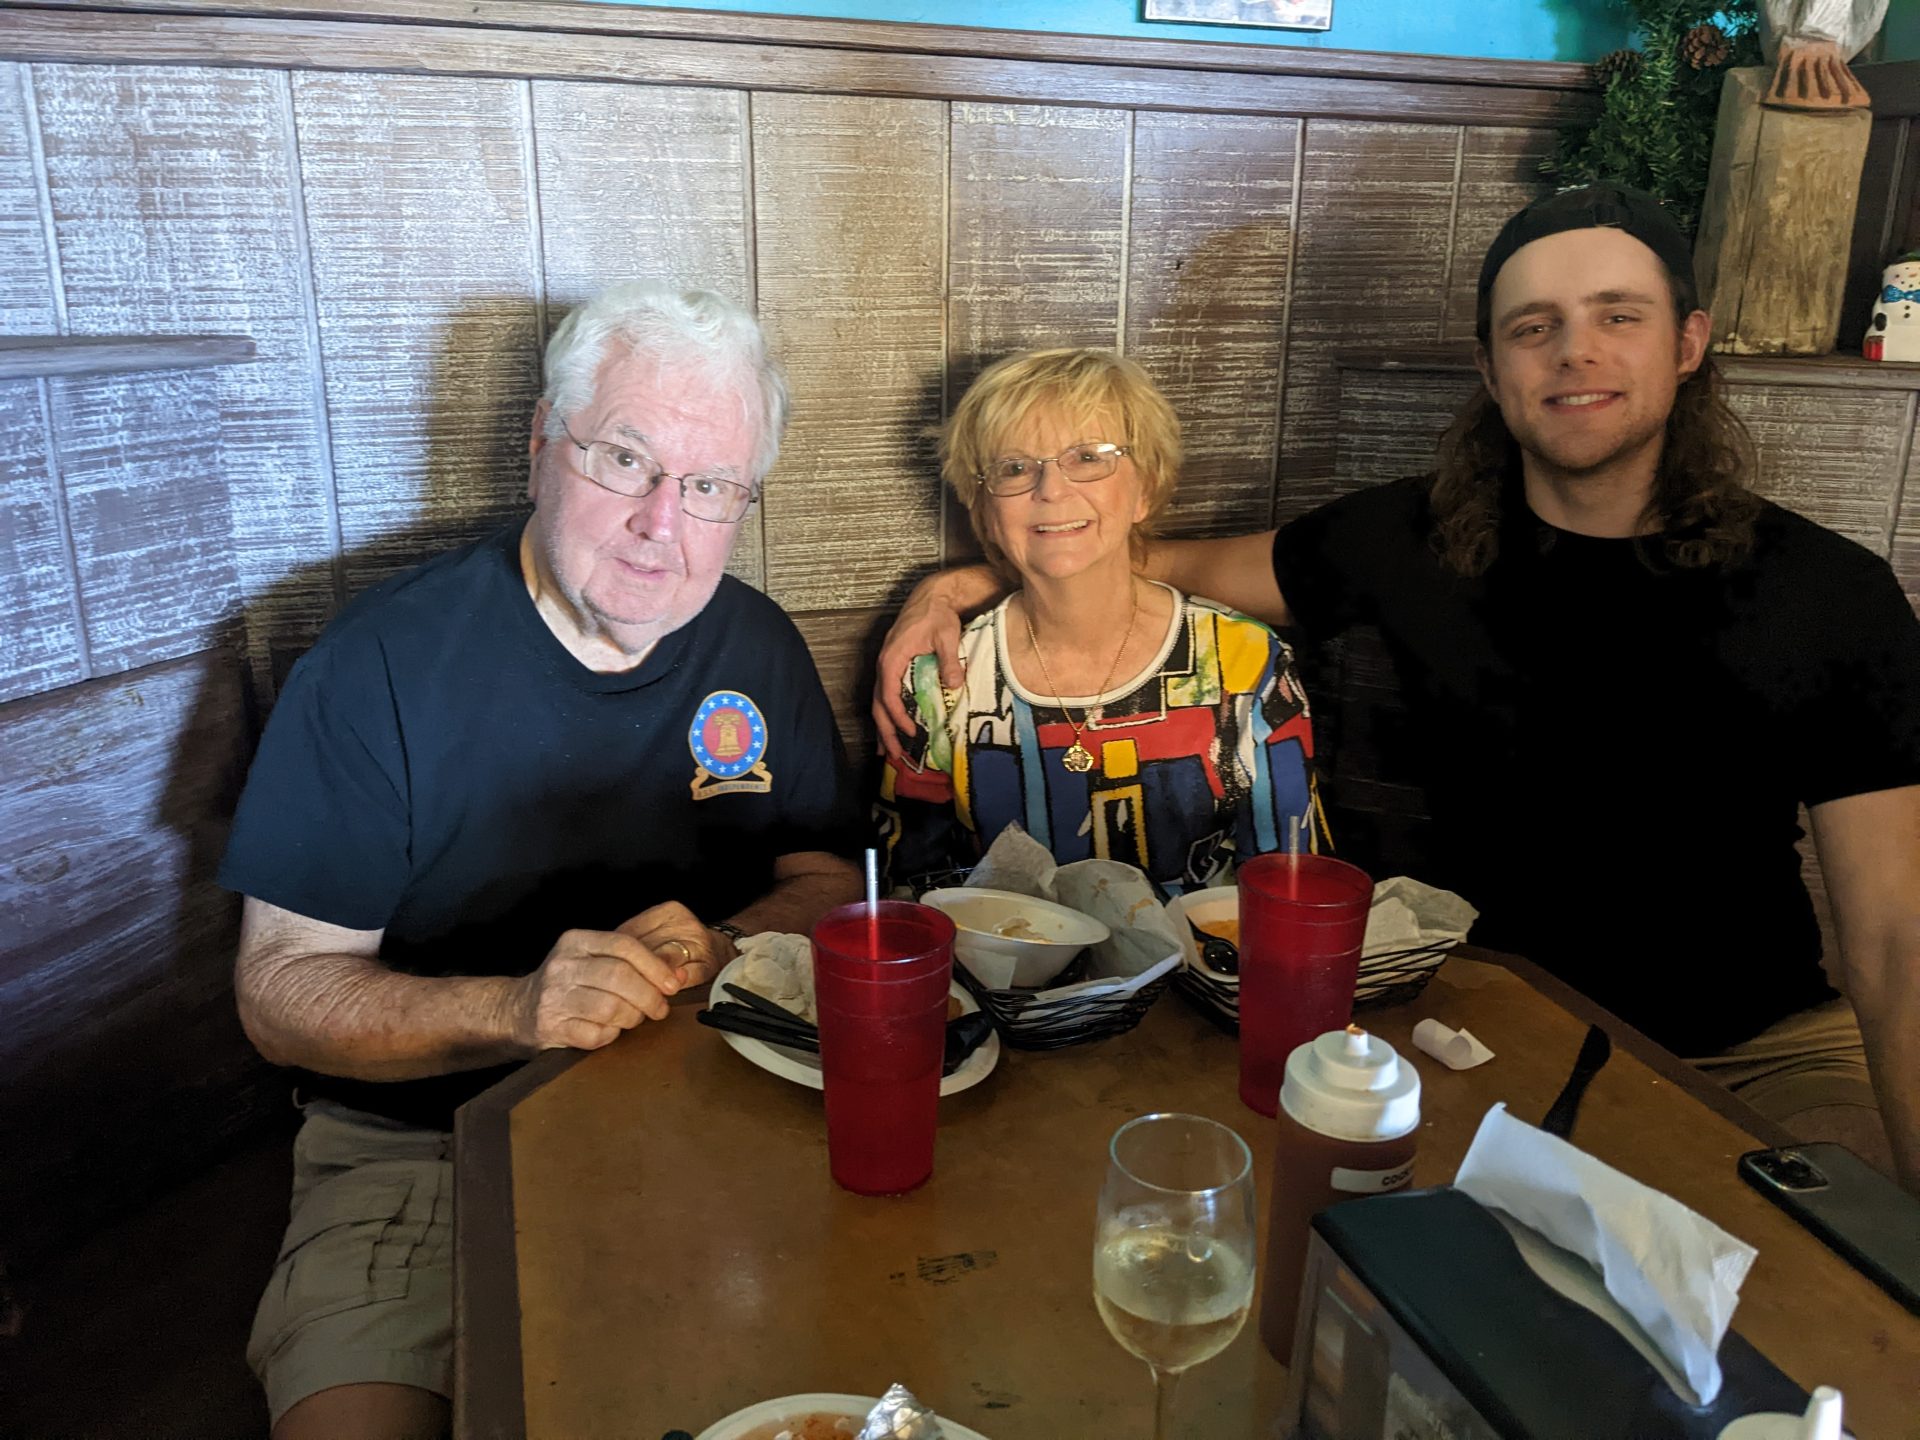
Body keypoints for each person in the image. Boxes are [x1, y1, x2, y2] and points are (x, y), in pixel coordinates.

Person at [875, 185, 1920, 1193]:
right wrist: (962, 581)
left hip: (1759, 1049)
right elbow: (1147, 562)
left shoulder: (1828, 594)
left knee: (1850, 1251)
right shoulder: (1400, 541)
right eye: (1533, 327)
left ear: (1687, 344)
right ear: (1491, 363)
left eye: (1618, 317)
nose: (1575, 352)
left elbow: (1896, 945)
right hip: (1466, 1021)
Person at [221, 282, 863, 1439]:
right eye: (626, 459)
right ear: (539, 448)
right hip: (416, 1150)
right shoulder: (377, 667)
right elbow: (278, 995)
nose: (662, 522)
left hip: (724, 1105)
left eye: (710, 486)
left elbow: (828, 882)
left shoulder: (755, 643)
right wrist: (517, 1009)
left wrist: (725, 942)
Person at [878, 347, 1321, 895]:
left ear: (1146, 488)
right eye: (1014, 468)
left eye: (1087, 457)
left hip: (1212, 974)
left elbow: (1293, 882)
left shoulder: (1246, 661)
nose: (1051, 489)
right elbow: (911, 889)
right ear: (984, 512)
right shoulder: (940, 681)